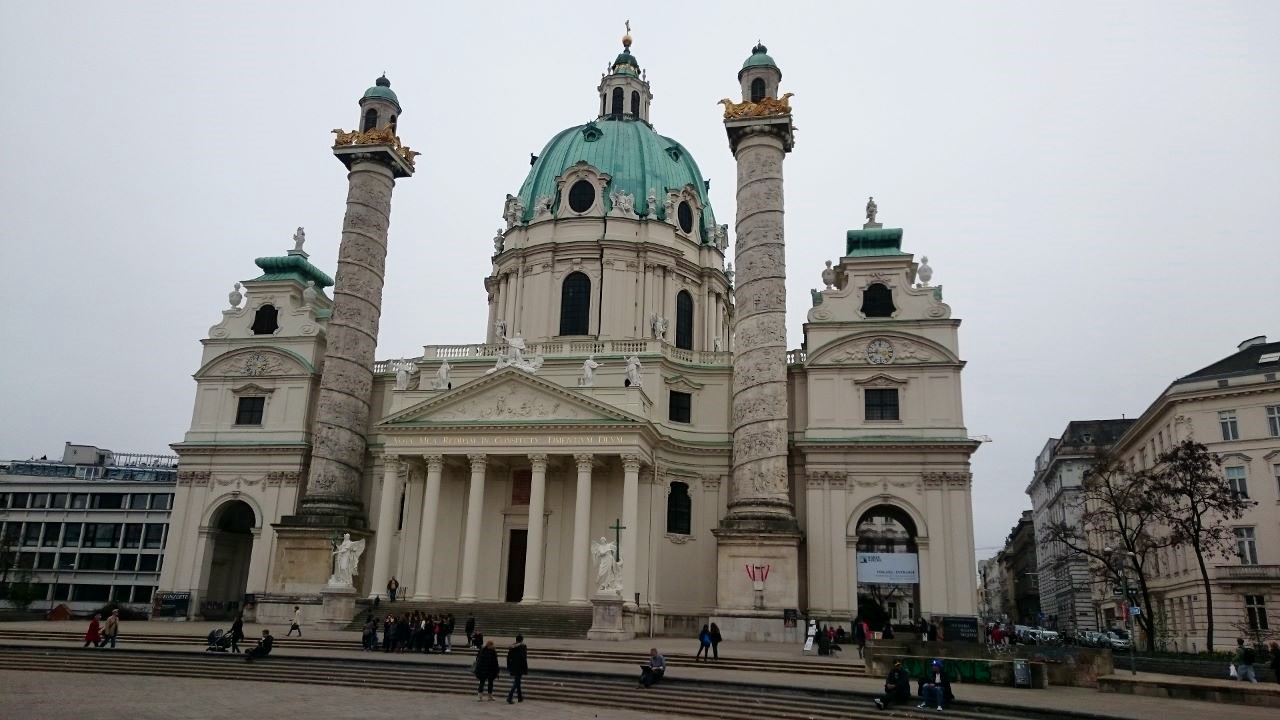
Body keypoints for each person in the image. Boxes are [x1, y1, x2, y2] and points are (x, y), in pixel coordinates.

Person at [506, 634, 529, 703]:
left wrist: (509, 666)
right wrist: (525, 668)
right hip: (520, 667)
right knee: (516, 682)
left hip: (513, 666)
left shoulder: (512, 647)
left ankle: (520, 697)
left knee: (518, 681)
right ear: (522, 640)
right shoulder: (523, 646)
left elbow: (508, 657)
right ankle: (509, 697)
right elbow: (524, 657)